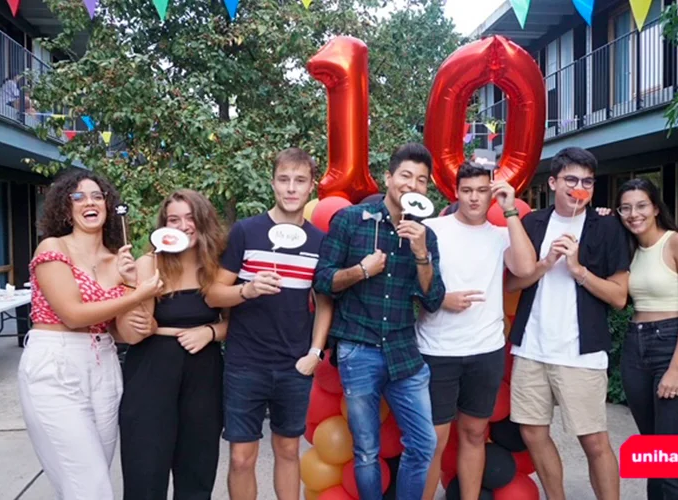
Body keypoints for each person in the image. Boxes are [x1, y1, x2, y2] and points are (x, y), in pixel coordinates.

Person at [18, 169, 163, 499]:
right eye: (78, 196)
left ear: (108, 206)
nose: (90, 202)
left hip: (103, 365)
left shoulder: (117, 260)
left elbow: (124, 333)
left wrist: (133, 287)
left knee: (86, 480)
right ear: (66, 207)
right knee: (91, 485)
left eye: (98, 196)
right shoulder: (53, 247)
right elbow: (72, 315)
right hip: (55, 363)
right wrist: (138, 295)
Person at [313, 142, 446, 500]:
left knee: (424, 443)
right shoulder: (351, 220)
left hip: (404, 352)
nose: (412, 185)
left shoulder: (426, 236)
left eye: (421, 180)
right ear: (388, 177)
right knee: (366, 450)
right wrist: (360, 270)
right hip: (358, 349)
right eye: (406, 175)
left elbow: (432, 300)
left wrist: (421, 255)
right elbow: (322, 280)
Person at [206, 148, 333, 500]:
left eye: (300, 181)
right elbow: (213, 294)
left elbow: (325, 303)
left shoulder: (320, 241)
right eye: (284, 179)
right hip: (245, 362)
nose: (291, 188)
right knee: (241, 458)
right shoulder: (246, 232)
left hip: (294, 364)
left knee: (289, 451)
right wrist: (246, 290)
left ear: (311, 186)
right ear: (272, 182)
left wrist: (315, 353)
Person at [505, 147, 630, 500]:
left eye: (587, 182)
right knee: (532, 432)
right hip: (531, 348)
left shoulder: (607, 227)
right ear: (553, 182)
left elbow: (619, 296)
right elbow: (512, 283)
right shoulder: (533, 223)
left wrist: (577, 270)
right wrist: (546, 263)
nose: (579, 188)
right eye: (571, 180)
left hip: (581, 352)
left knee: (593, 439)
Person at [418, 160, 537, 500]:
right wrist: (441, 299)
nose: (474, 198)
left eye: (482, 191)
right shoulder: (432, 229)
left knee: (473, 433)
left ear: (491, 195)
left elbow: (525, 267)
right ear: (456, 192)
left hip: (485, 352)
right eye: (467, 190)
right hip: (436, 350)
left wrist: (510, 210)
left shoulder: (500, 235)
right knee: (433, 439)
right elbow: (407, 281)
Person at [117, 189, 229, 500]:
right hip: (152, 369)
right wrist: (131, 285)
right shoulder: (148, 263)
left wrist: (210, 332)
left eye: (190, 218)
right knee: (145, 468)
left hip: (204, 370)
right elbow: (133, 334)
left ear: (204, 221)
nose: (183, 226)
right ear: (164, 226)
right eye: (173, 219)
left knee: (198, 469)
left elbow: (236, 323)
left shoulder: (219, 267)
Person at [615, 178, 678, 500]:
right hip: (635, 348)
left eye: (641, 205)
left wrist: (676, 368)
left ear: (655, 207)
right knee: (653, 455)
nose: (633, 214)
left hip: (673, 345)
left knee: (671, 461)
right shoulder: (627, 249)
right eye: (625, 208)